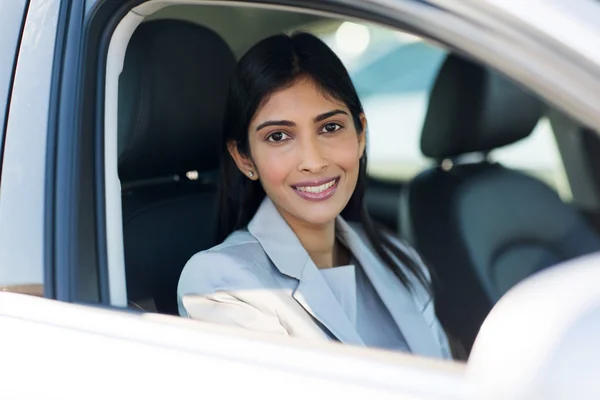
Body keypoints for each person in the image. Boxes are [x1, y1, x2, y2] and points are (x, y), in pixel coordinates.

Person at [178, 32, 451, 359]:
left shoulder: (397, 256)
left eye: (330, 128)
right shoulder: (221, 283)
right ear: (244, 158)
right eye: (279, 136)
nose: (313, 161)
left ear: (360, 134)